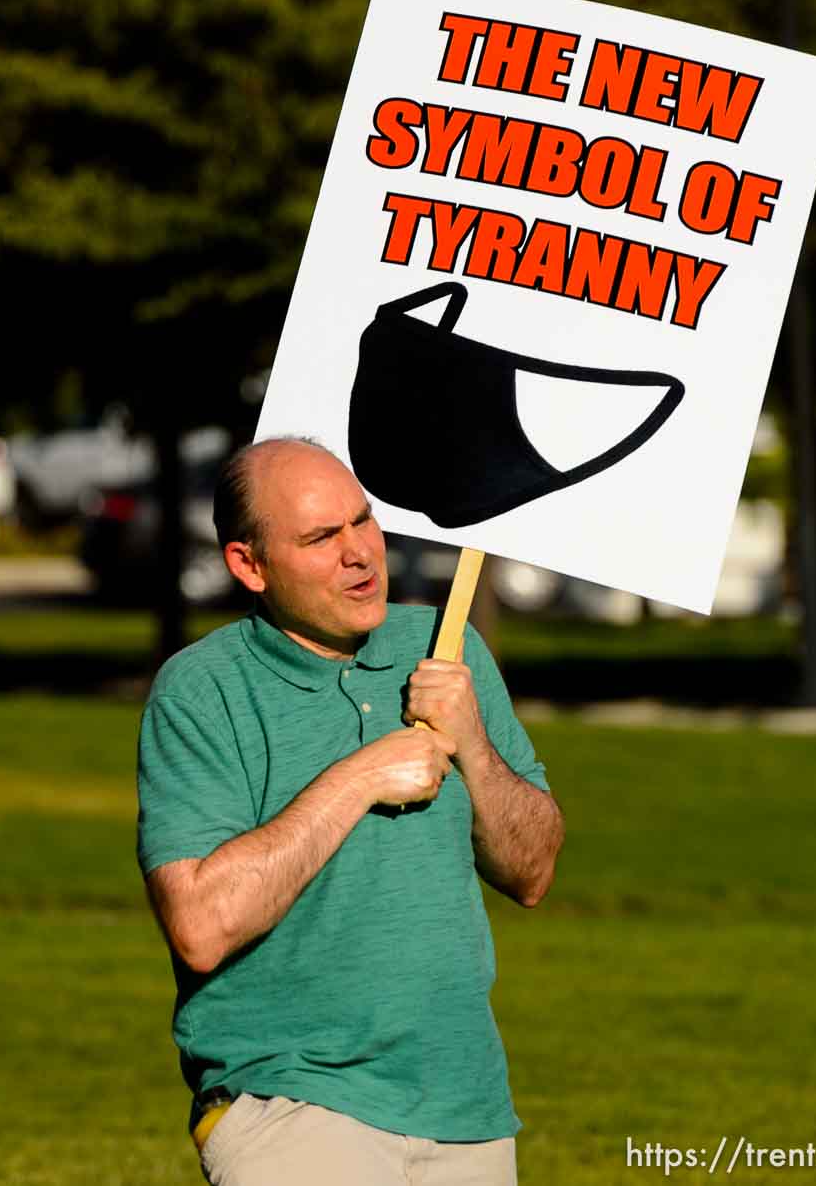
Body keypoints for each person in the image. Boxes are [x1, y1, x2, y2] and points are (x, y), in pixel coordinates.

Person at [136, 437, 564, 1186]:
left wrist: (471, 744)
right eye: (319, 538)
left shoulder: (447, 646)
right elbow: (200, 927)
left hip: (465, 1103)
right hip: (292, 1101)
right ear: (248, 564)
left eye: (362, 522)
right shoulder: (201, 689)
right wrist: (357, 777)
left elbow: (531, 871)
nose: (359, 553)